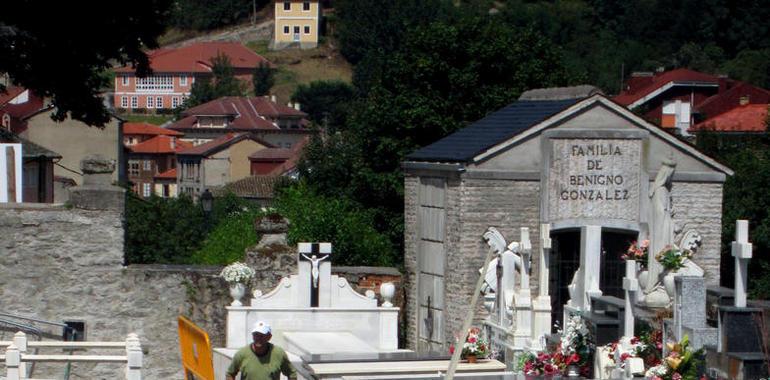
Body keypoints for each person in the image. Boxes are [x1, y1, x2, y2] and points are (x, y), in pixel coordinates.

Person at [226, 321, 296, 380]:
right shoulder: (242, 354)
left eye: (262, 335)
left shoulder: (279, 354)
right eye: (256, 335)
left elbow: (291, 374)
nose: (258, 338)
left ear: (269, 337)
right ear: (252, 336)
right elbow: (230, 373)